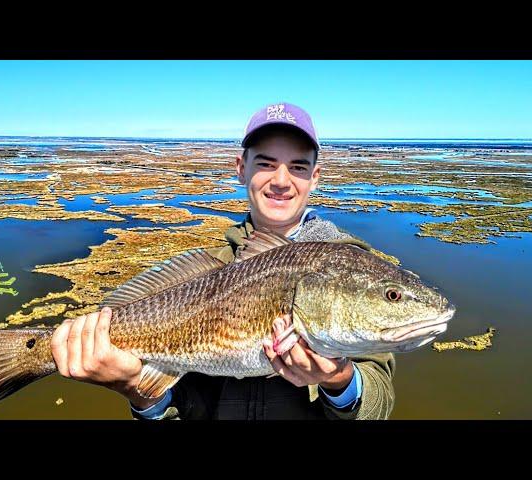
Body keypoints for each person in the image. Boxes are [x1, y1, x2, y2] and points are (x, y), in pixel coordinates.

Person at [50, 103, 396, 420]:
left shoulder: (354, 269)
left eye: (298, 166)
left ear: (314, 177)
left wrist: (340, 380)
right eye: (265, 163)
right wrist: (137, 389)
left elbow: (378, 402)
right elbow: (177, 406)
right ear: (240, 168)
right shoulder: (210, 269)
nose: (280, 180)